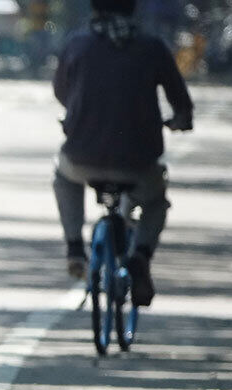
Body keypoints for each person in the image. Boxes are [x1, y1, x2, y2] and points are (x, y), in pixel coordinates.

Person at [52, 0, 193, 306]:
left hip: (81, 158)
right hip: (139, 164)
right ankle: (140, 257)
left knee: (64, 179)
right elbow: (181, 101)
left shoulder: (77, 44)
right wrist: (181, 120)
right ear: (134, 9)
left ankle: (75, 247)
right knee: (156, 203)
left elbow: (62, 92)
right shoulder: (153, 47)